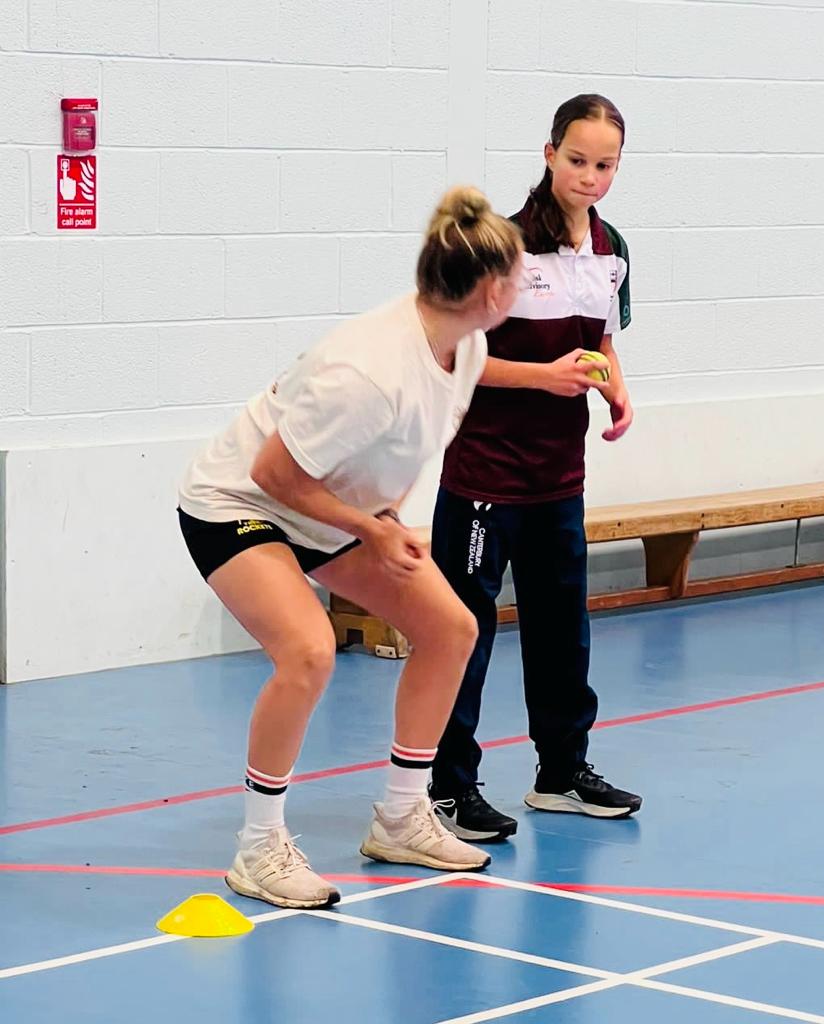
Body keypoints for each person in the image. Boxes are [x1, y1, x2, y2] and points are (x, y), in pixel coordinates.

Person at [177, 186, 525, 908]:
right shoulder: (367, 372)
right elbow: (272, 473)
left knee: (449, 628)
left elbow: (384, 456)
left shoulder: (464, 349)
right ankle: (257, 848)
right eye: (519, 276)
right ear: (491, 290)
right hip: (237, 504)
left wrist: (383, 515)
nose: (523, 287)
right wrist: (374, 529)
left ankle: (401, 816)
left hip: (326, 510)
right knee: (307, 651)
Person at [428, 95, 643, 841]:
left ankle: (560, 773)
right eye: (576, 160)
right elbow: (455, 356)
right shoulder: (505, 248)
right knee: (464, 630)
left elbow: (601, 342)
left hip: (560, 478)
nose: (589, 176)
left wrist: (615, 390)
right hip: (485, 480)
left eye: (604, 165)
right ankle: (448, 788)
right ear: (548, 153)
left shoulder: (611, 246)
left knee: (562, 630)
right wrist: (542, 378)